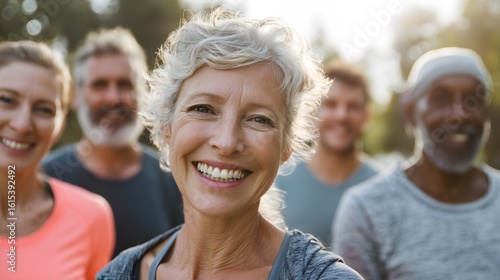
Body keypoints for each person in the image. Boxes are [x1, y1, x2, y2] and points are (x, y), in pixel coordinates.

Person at [97, 9, 363, 280]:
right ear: (167, 123)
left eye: (259, 119)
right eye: (203, 109)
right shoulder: (119, 274)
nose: (226, 142)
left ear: (287, 145)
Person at [333, 47, 500, 279]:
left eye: (473, 100)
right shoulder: (366, 210)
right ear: (411, 112)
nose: (460, 114)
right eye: (441, 98)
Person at [41, 27, 184, 257]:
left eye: (124, 84)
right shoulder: (45, 177)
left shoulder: (174, 178)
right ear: (76, 96)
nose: (113, 97)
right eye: (100, 84)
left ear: (143, 93)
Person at [0, 41, 114, 279]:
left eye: (44, 110)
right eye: (7, 100)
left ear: (60, 124)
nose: (22, 125)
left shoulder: (91, 216)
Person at [275, 60, 378, 247]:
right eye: (331, 104)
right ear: (313, 110)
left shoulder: (382, 187)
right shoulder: (278, 181)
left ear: (366, 116)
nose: (341, 115)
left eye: (352, 106)